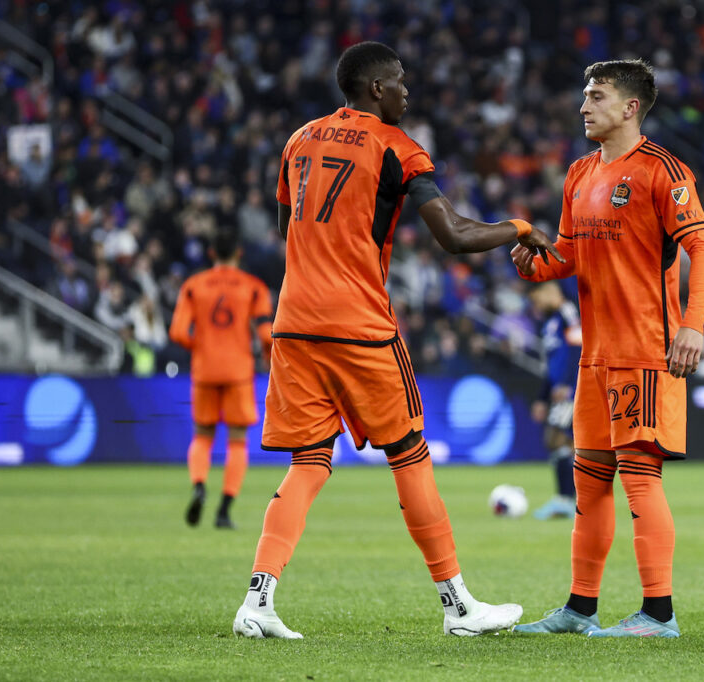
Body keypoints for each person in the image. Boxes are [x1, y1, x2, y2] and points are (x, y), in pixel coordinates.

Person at [232, 41, 562, 640]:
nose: (408, 92)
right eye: (400, 82)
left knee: (308, 462)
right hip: (359, 324)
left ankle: (257, 600)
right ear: (375, 89)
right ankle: (458, 606)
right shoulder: (398, 147)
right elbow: (456, 236)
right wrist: (519, 226)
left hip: (295, 321)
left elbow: (289, 228)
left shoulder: (298, 140)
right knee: (409, 454)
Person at [510, 59, 704, 638]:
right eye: (584, 94)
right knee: (589, 479)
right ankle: (580, 608)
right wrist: (533, 264)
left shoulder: (663, 171)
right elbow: (569, 254)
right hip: (595, 356)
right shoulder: (579, 173)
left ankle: (659, 615)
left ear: (630, 108)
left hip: (646, 351)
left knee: (639, 478)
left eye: (597, 96)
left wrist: (693, 325)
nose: (584, 105)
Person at [169, 228, 274, 529]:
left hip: (205, 369)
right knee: (238, 442)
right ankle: (224, 510)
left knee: (202, 435)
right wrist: (268, 357)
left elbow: (177, 332)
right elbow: (265, 333)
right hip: (238, 371)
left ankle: (199, 485)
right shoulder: (253, 287)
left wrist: (200, 347)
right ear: (239, 253)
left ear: (211, 253)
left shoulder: (193, 285)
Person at [529, 281, 582, 520]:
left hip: (571, 389)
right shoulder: (548, 324)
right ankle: (568, 499)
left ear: (550, 293)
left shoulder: (567, 312)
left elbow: (577, 348)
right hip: (558, 389)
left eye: (538, 299)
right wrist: (541, 397)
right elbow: (550, 365)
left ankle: (565, 500)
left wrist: (569, 384)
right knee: (558, 440)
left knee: (558, 438)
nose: (536, 305)